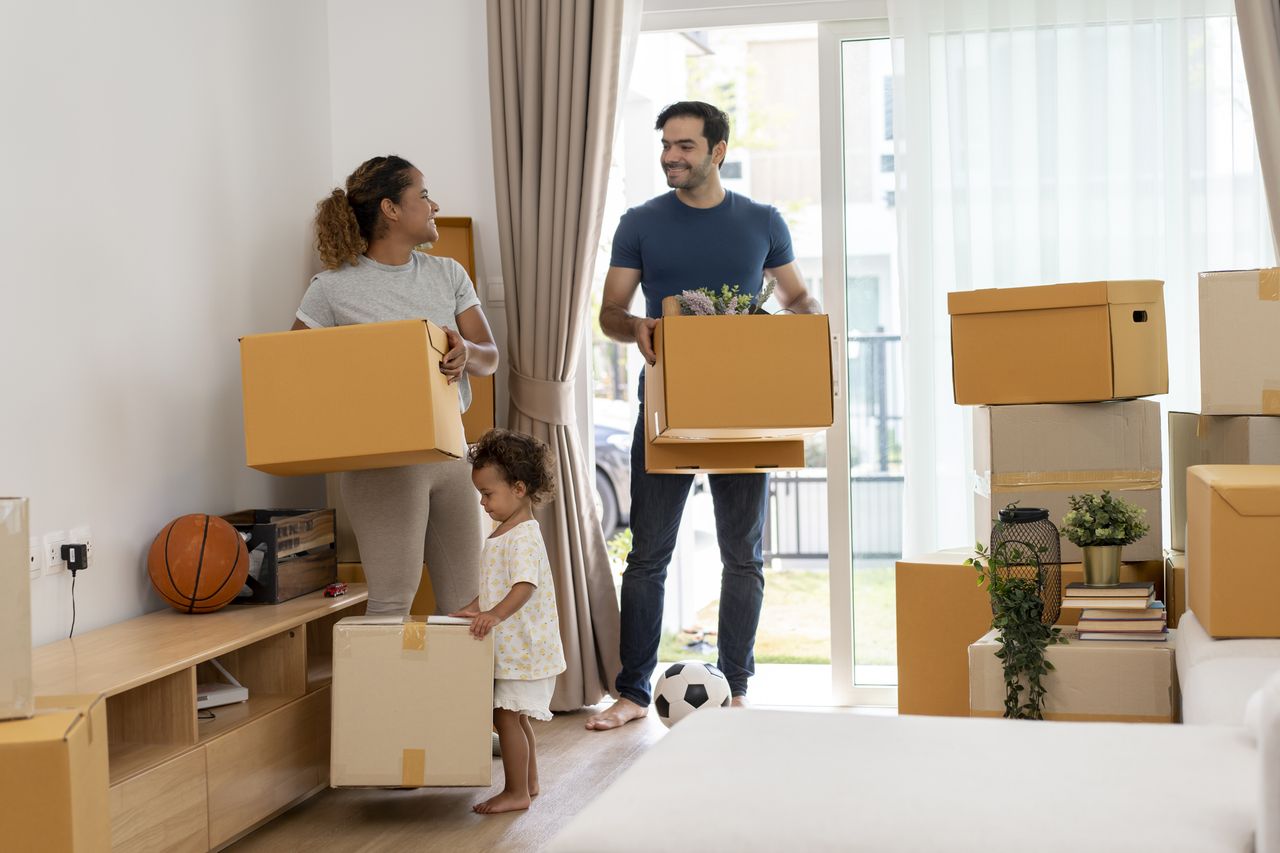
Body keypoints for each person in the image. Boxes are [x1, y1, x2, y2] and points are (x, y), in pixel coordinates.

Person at [587, 101, 821, 731]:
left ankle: (736, 686)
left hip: (742, 410)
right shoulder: (640, 223)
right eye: (666, 144)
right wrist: (637, 324)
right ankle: (633, 692)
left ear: (718, 150)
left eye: (686, 146)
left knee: (741, 556)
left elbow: (799, 298)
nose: (672, 156)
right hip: (665, 404)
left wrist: (801, 344)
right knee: (648, 555)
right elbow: (610, 312)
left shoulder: (763, 221)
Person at [292, 155, 499, 617]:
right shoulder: (331, 289)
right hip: (380, 467)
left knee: (466, 606)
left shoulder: (448, 274)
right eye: (423, 196)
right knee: (390, 603)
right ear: (390, 208)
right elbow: (297, 370)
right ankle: (379, 694)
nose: (434, 205)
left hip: (450, 459)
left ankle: (459, 694)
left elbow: (490, 355)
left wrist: (466, 351)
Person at [449, 429, 567, 814]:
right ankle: (529, 783)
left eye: (488, 494)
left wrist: (495, 615)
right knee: (515, 717)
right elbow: (498, 586)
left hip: (524, 648)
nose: (483, 503)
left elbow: (523, 586)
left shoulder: (522, 537)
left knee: (505, 717)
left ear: (518, 488)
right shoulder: (506, 534)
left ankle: (515, 791)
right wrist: (475, 606)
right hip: (517, 648)